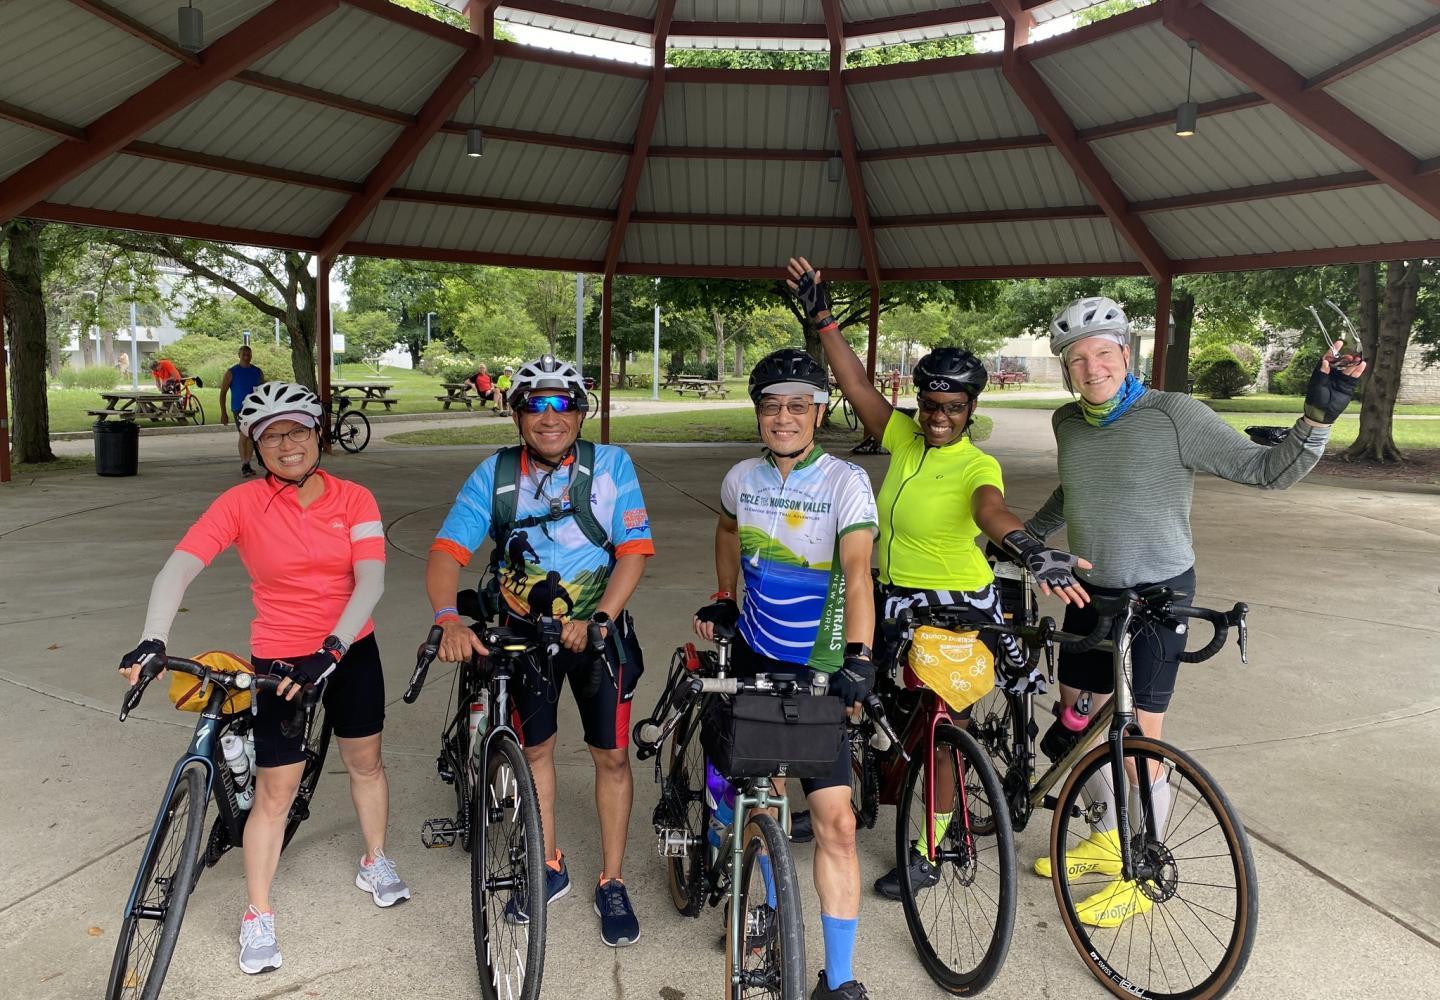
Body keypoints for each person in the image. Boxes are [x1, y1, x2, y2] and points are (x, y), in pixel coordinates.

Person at [1021, 295, 1364, 927]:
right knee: (1072, 727)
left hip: (1156, 597)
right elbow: (1076, 487)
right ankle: (1105, 833)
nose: (1091, 367)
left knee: (1135, 742)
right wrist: (1024, 538)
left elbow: (1267, 471)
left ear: (1127, 354)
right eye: (1077, 358)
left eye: (1103, 353)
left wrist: (1319, 415)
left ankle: (1142, 862)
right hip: (1091, 594)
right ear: (1066, 368)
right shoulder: (1068, 422)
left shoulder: (1173, 414)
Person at [784, 257, 1090, 900]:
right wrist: (823, 319)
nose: (938, 417)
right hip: (887, 596)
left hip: (954, 606)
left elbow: (992, 511)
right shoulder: (903, 437)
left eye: (951, 407)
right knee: (842, 693)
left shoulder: (978, 464)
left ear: (971, 407)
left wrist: (1032, 549)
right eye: (929, 405)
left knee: (942, 730)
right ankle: (831, 800)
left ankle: (934, 845)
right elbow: (855, 381)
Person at [117, 380, 409, 977]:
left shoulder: (354, 498)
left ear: (318, 434)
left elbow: (371, 579)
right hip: (278, 657)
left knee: (365, 761)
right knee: (276, 791)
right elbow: (180, 566)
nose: (286, 443)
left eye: (297, 430)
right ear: (254, 444)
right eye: (270, 435)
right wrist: (154, 636)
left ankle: (375, 858)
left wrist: (333, 647)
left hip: (349, 646)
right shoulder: (242, 503)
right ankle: (258, 912)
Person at [426, 354, 655, 947]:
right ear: (516, 415)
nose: (548, 416)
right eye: (534, 404)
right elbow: (447, 552)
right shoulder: (496, 475)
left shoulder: (612, 466)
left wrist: (599, 617)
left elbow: (632, 550)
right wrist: (449, 618)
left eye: (561, 404)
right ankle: (548, 862)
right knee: (538, 753)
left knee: (611, 757)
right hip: (523, 639)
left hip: (598, 636)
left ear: (581, 413)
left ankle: (612, 879)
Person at [693, 347, 879, 1000]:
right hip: (753, 654)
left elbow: (857, 574)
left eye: (798, 405)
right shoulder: (741, 478)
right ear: (758, 413)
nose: (784, 417)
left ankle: (843, 977)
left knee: (837, 822)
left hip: (820, 667)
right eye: (771, 405)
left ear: (820, 412)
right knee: (759, 794)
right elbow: (723, 527)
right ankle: (755, 907)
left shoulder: (844, 483)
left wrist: (859, 655)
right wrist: (724, 593)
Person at [219, 345, 265, 477]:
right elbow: (222, 393)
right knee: (243, 435)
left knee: (251, 435)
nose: (246, 357)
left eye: (248, 354)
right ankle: (244, 463)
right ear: (239, 355)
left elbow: (263, 391)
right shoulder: (232, 372)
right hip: (239, 408)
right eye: (244, 354)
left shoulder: (257, 371)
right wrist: (223, 413)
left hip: (255, 408)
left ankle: (248, 463)